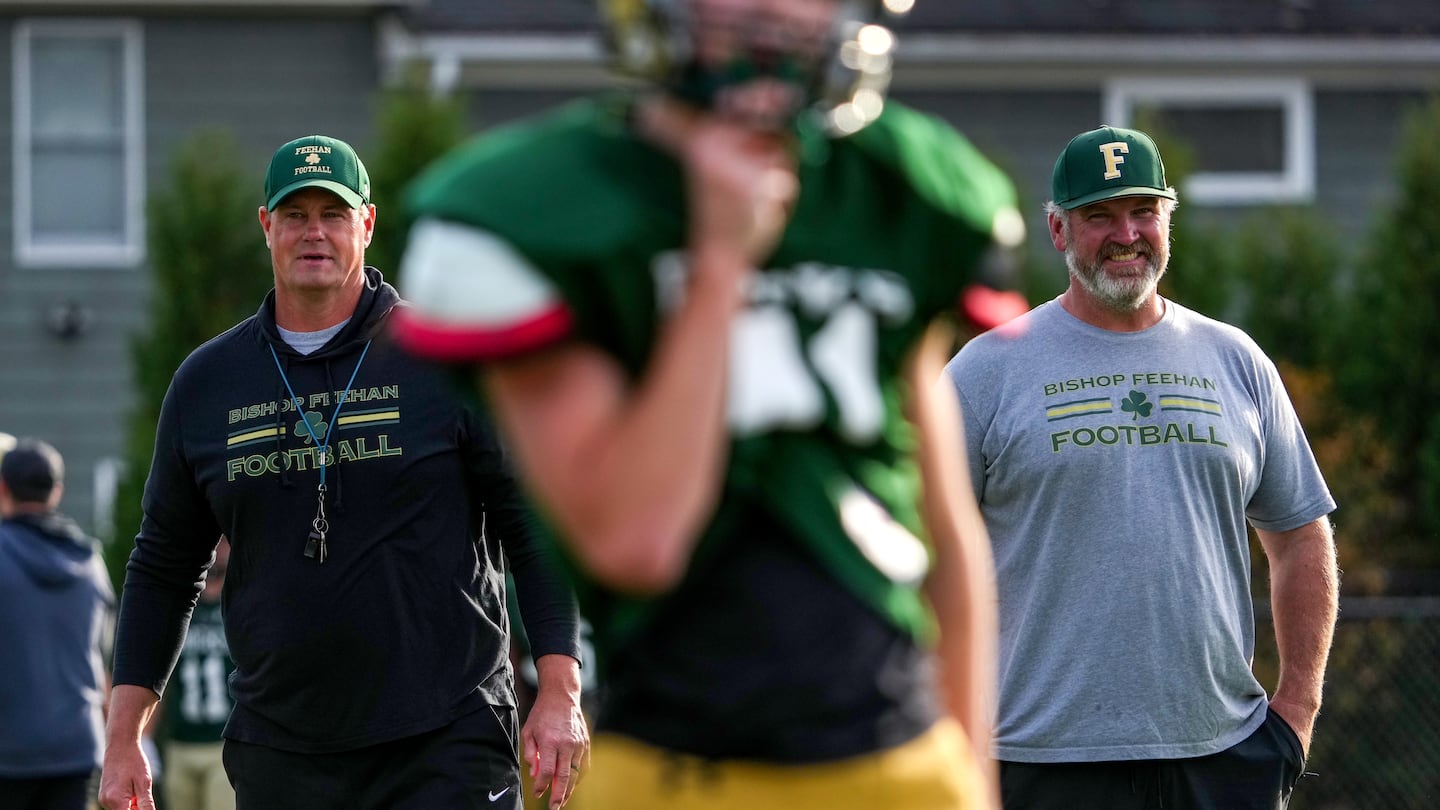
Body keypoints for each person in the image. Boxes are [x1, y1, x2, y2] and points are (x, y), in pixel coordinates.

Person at [391, 1, 1029, 807]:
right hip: (669, 774)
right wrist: (722, 260)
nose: (770, 10)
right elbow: (637, 540)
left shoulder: (904, 190)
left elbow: (943, 534)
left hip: (899, 768)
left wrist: (970, 778)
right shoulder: (540, 209)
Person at [98, 135, 588, 810]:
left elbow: (533, 526)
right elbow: (161, 566)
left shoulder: (446, 357)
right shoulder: (208, 385)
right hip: (282, 753)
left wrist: (559, 690)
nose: (314, 233)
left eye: (332, 213)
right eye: (294, 215)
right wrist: (125, 736)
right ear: (266, 226)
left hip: (444, 740)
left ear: (367, 223)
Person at [942, 125, 1340, 809]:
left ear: (1167, 219)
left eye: (1143, 211)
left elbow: (1301, 538)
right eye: (1099, 215)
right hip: (1034, 763)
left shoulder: (1235, 361)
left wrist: (1294, 717)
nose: (1126, 233)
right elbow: (921, 556)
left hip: (1223, 760)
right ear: (1058, 230)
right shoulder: (988, 370)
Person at [0, 437, 116, 809]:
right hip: (78, 749)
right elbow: (105, 663)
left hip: (10, 751)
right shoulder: (92, 564)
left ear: (3, 488)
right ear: (58, 491)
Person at [146, 535, 237, 810]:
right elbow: (159, 679)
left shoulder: (240, 602)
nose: (218, 548)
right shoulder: (182, 604)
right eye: (214, 539)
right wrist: (144, 736)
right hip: (180, 743)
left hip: (224, 744)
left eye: (224, 541)